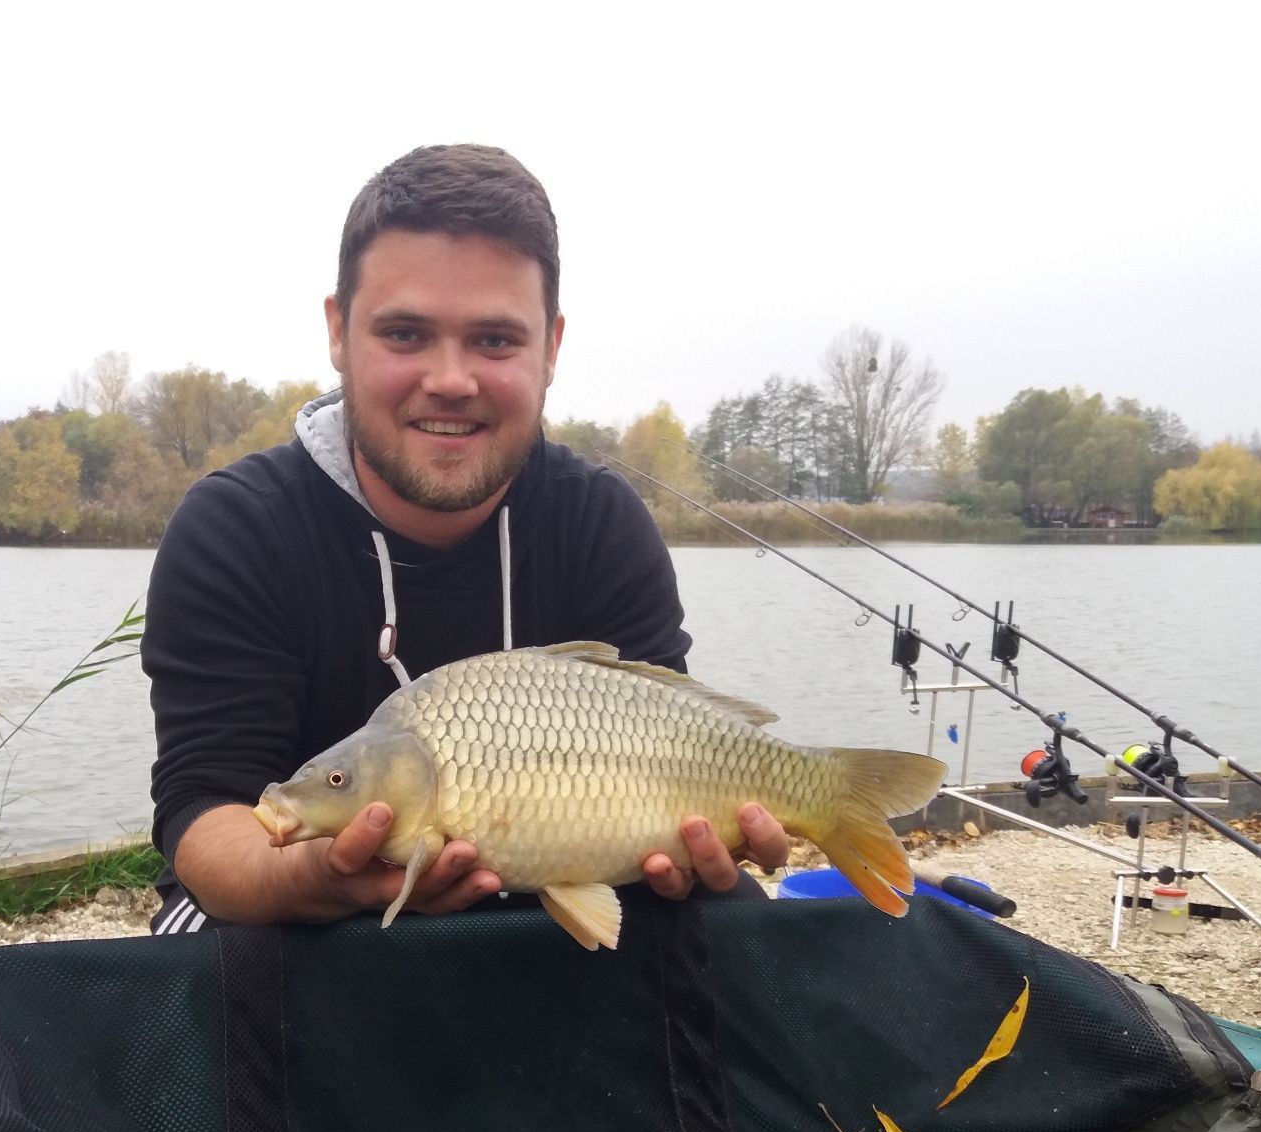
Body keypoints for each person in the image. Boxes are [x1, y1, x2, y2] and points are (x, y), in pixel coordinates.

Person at [140, 143, 789, 936]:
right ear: (339, 333)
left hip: (566, 893)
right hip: (310, 914)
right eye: (406, 334)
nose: (450, 379)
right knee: (207, 945)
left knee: (731, 925)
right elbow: (205, 813)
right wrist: (330, 879)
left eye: (494, 341)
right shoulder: (237, 528)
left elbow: (673, 741)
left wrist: (704, 840)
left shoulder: (601, 521)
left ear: (551, 349)